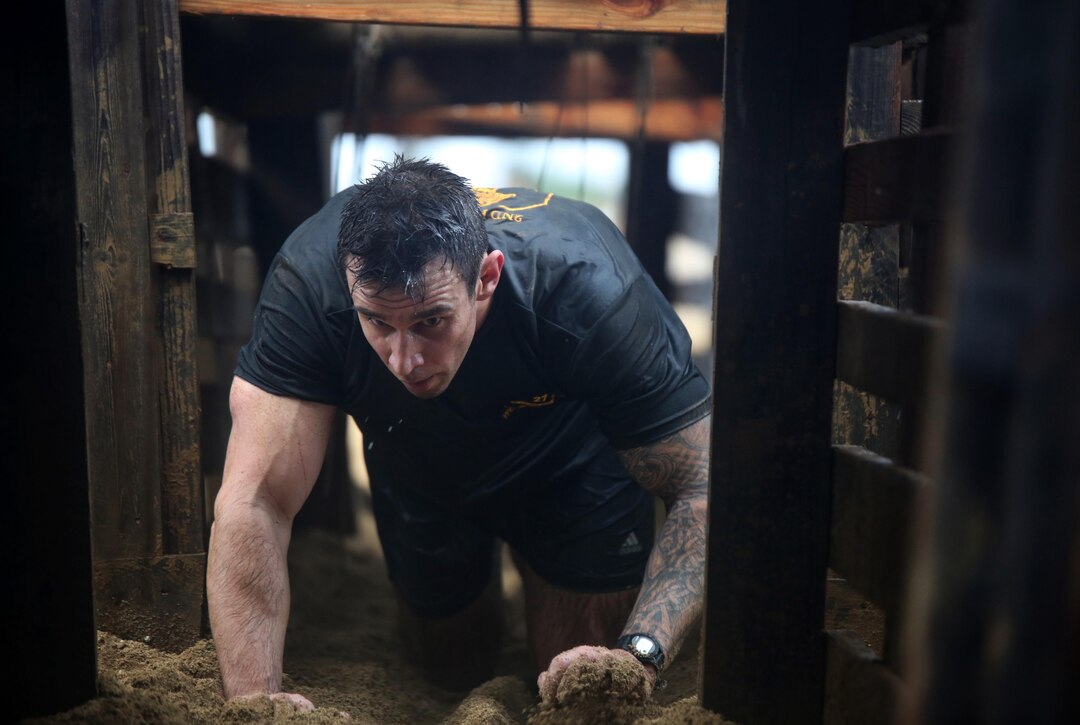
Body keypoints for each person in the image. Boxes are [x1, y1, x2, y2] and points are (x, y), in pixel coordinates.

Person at [206, 155, 711, 712]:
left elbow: (702, 485)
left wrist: (638, 656)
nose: (404, 360)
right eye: (376, 321)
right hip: (418, 463)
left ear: (487, 277)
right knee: (450, 663)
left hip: (572, 469)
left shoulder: (586, 286)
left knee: (580, 686)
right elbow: (254, 502)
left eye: (430, 321)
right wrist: (256, 705)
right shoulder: (310, 285)